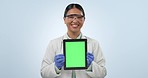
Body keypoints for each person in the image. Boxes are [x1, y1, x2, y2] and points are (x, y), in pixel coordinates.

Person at [40, 3, 107, 78]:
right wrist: (55, 67)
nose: (75, 20)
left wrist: (91, 66)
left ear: (84, 20)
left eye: (79, 17)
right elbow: (43, 73)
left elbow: (102, 73)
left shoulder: (94, 44)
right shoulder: (54, 44)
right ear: (64, 20)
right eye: (71, 17)